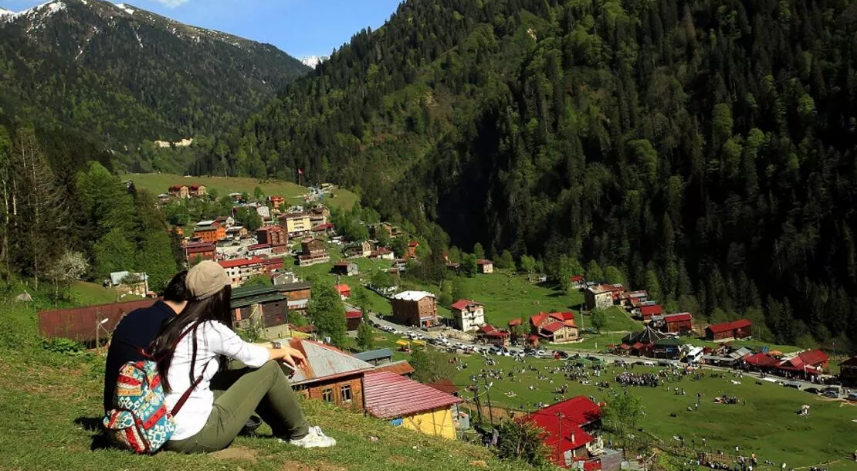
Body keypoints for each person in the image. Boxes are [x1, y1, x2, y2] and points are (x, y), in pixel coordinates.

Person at [150, 261, 335, 453]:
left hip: (168, 427)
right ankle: (302, 434)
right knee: (268, 368)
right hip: (196, 435)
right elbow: (254, 357)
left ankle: (284, 431)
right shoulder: (210, 329)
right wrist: (281, 351)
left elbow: (241, 354)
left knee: (240, 368)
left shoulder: (173, 325)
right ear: (220, 294)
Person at [103, 271, 191, 412]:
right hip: (147, 421)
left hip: (115, 415)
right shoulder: (173, 328)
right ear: (190, 300)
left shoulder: (134, 316)